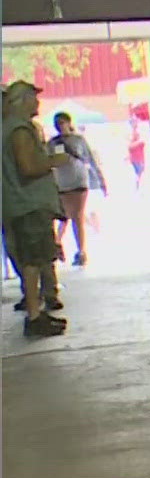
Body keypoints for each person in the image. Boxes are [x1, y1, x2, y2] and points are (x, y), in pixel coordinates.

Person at [3, 80, 70, 337]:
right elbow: (28, 167)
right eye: (33, 97)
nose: (38, 103)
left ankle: (37, 312)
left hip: (24, 204)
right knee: (33, 262)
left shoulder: (13, 128)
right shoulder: (19, 130)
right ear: (21, 101)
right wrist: (54, 160)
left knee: (37, 260)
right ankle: (34, 314)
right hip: (28, 205)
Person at [49, 112, 102, 266]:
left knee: (77, 217)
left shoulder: (78, 140)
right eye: (57, 123)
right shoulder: (52, 143)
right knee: (65, 216)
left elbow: (90, 159)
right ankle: (58, 244)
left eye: (62, 122)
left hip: (79, 180)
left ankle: (81, 250)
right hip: (62, 182)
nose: (60, 125)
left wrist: (100, 178)